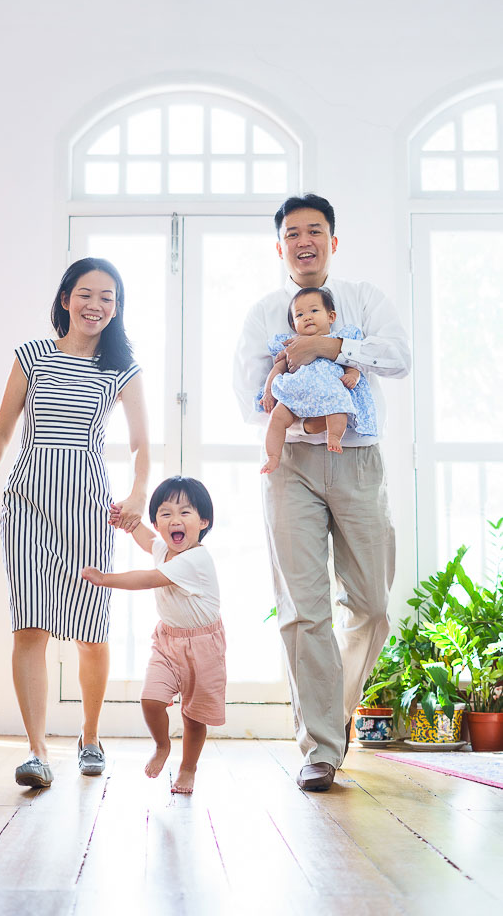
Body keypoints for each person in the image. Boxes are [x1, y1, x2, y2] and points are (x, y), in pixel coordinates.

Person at [234, 194, 410, 792]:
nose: (303, 240)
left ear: (333, 241)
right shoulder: (264, 313)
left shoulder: (362, 300)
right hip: (291, 468)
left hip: (358, 462)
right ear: (279, 246)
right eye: (291, 233)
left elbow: (399, 358)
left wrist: (328, 347)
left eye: (315, 231)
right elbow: (247, 400)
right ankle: (321, 749)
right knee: (304, 609)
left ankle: (329, 717)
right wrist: (309, 421)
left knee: (373, 607)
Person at [0, 257, 149, 787]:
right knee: (29, 624)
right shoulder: (32, 355)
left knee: (91, 629)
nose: (96, 305)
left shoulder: (122, 368)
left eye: (108, 298)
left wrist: (138, 492)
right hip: (26, 502)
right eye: (86, 294)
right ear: (66, 298)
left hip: (89, 505)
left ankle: (90, 736)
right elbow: (2, 432)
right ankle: (37, 751)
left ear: (116, 309)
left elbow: (140, 443)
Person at [82, 476, 226, 795]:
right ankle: (162, 746)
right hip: (167, 642)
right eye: (165, 513)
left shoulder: (196, 558)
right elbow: (148, 541)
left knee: (193, 716)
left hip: (204, 647)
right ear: (157, 521)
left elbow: (148, 579)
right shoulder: (165, 548)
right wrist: (127, 523)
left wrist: (105, 579)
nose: (175, 520)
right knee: (150, 700)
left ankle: (188, 768)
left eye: (185, 513)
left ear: (204, 521)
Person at [260, 286, 377, 473]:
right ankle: (273, 456)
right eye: (299, 315)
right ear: (293, 325)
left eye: (314, 311)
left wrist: (352, 377)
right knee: (277, 417)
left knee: (339, 406)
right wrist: (267, 392)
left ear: (331, 317)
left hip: (329, 391)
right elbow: (277, 369)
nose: (307, 317)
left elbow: (353, 365)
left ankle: (334, 437)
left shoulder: (338, 341)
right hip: (296, 393)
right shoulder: (290, 346)